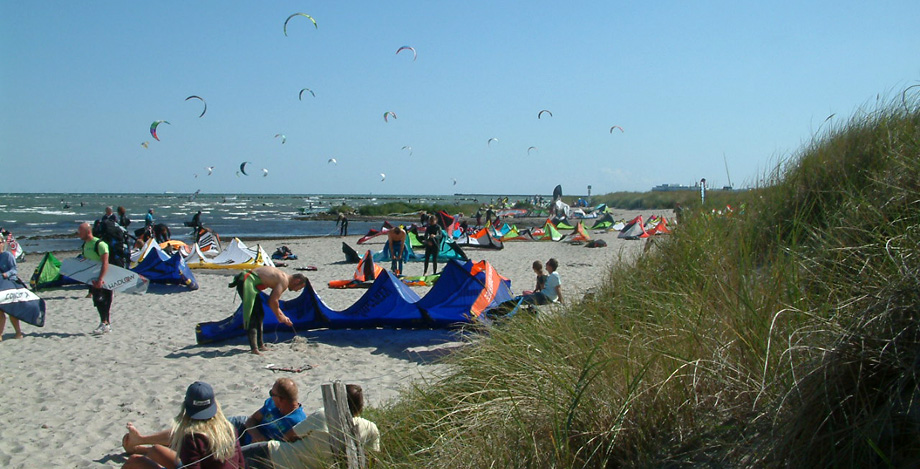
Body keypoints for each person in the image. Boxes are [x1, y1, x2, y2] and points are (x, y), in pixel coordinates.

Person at [241, 384, 380, 469]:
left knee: (231, 459)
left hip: (275, 454)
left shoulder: (323, 414)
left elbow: (288, 436)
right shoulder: (371, 428)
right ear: (360, 406)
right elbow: (371, 460)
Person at [121, 381, 245, 469]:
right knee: (156, 449)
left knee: (134, 461)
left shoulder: (193, 437)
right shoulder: (228, 428)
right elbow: (241, 464)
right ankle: (138, 444)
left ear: (186, 408)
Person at [228, 266, 305, 354]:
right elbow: (273, 301)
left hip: (250, 282)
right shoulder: (284, 281)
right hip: (247, 281)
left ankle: (260, 345)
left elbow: (272, 302)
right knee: (252, 315)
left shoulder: (283, 277)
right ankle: (254, 348)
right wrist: (280, 317)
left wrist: (282, 316)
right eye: (300, 288)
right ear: (297, 281)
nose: (297, 291)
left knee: (260, 314)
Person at [229, 378, 307, 446]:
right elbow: (251, 420)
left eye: (272, 394)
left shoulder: (297, 422)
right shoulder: (272, 403)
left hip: (254, 450)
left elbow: (283, 449)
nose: (271, 397)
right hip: (245, 430)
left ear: (280, 399)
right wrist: (256, 435)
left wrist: (263, 443)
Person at [78, 222, 113, 334]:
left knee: (103, 300)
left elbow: (105, 263)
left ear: (88, 231)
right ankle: (105, 323)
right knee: (97, 301)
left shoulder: (100, 244)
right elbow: (86, 260)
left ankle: (105, 323)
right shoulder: (85, 245)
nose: (79, 234)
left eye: (80, 231)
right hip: (92, 278)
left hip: (104, 278)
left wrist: (100, 279)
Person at [0, 239, 24, 340]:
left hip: (10, 284)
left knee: (11, 311)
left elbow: (14, 269)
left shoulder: (7, 255)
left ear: (2, 244)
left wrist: (6, 274)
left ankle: (18, 332)